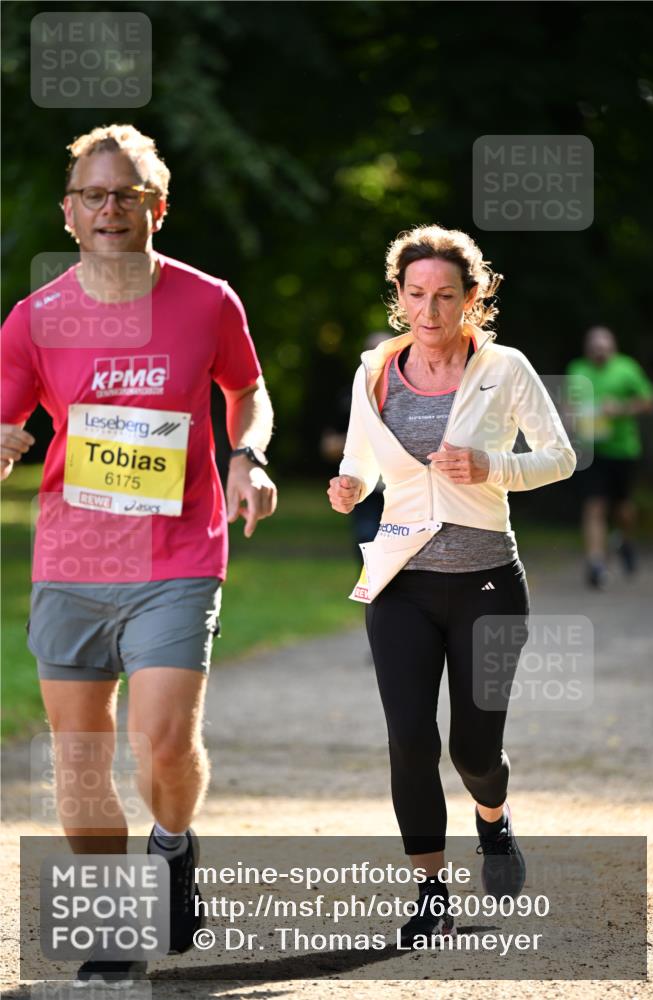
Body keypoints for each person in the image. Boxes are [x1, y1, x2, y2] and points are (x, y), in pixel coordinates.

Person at [0, 124, 277, 983]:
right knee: (78, 756)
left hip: (178, 554)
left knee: (161, 741)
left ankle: (174, 841)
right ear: (70, 213)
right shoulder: (35, 317)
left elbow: (248, 390)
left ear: (158, 207)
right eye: (94, 194)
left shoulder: (208, 301)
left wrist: (247, 454)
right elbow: (9, 420)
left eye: (127, 194)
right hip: (73, 562)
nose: (110, 208)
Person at [328, 225, 576, 946]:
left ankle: (492, 823)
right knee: (409, 740)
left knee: (473, 750)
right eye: (414, 295)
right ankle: (429, 889)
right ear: (398, 296)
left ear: (474, 297)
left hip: (486, 582)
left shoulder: (505, 368)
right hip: (400, 580)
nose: (428, 311)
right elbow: (361, 456)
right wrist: (350, 485)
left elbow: (558, 456)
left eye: (444, 296)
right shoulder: (375, 369)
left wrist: (492, 465)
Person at [565, 326, 653, 589]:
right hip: (592, 450)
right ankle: (595, 563)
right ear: (587, 348)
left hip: (623, 449)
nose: (599, 351)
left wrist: (622, 408)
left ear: (613, 347)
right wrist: (569, 418)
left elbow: (650, 402)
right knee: (594, 505)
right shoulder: (577, 369)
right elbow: (569, 404)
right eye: (594, 346)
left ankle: (625, 540)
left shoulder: (626, 369)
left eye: (603, 346)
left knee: (623, 509)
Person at [320, 332, 391, 562]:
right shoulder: (350, 397)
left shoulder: (415, 391)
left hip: (402, 489)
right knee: (367, 541)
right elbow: (329, 445)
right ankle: (370, 597)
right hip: (366, 491)